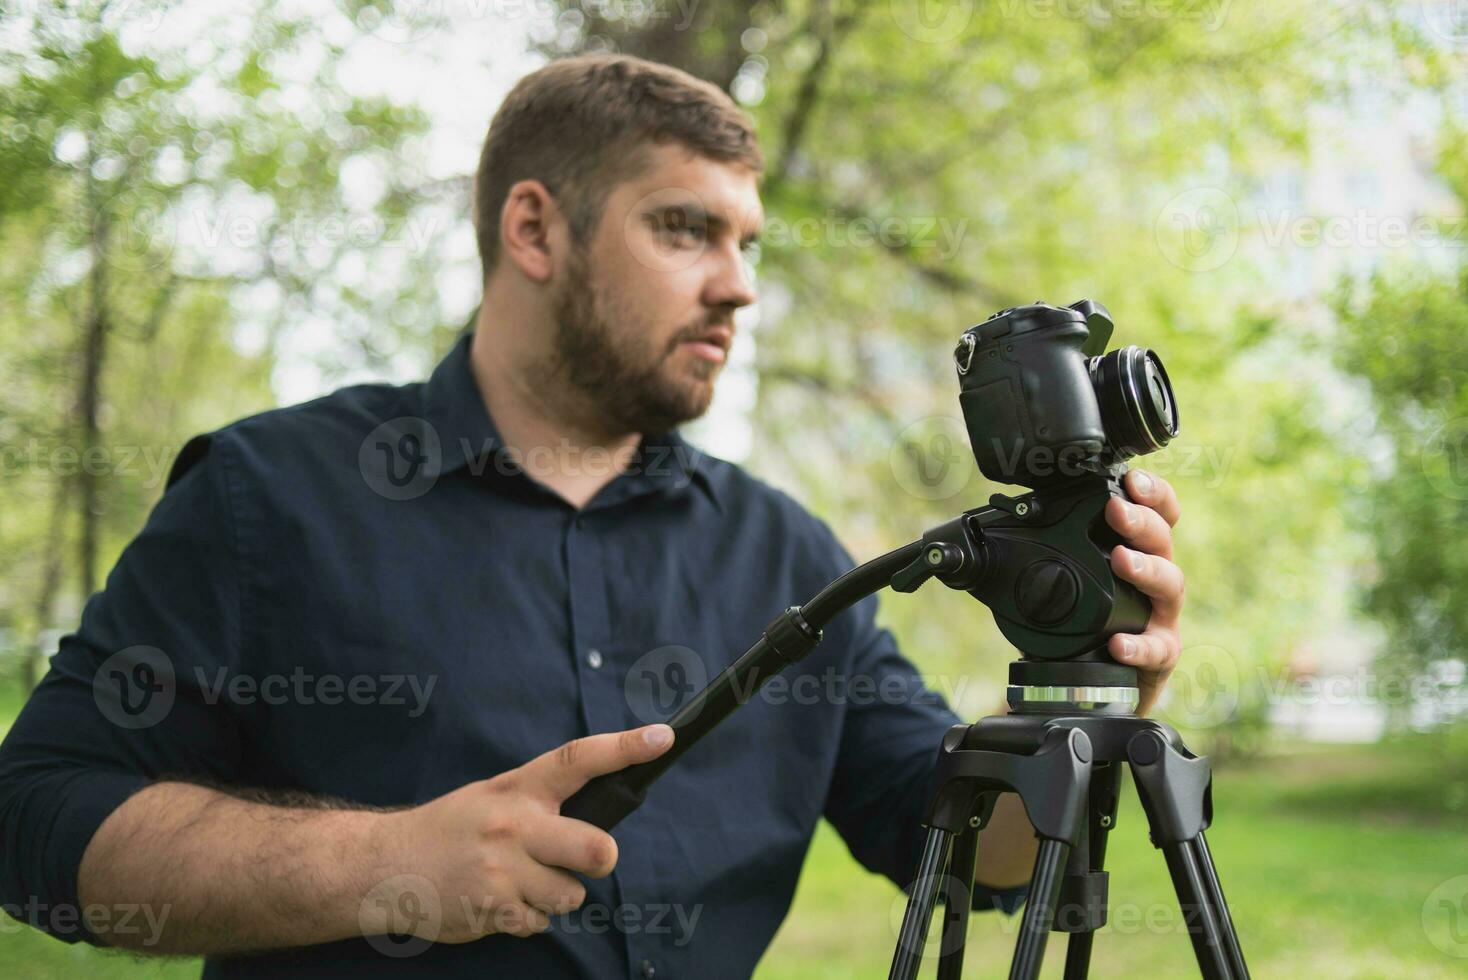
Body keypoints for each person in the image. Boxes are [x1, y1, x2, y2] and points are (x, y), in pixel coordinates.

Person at [0, 54, 1186, 978]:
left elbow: (971, 847)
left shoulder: (789, 553)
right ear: (534, 230)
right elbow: (39, 816)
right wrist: (385, 862)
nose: (739, 282)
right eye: (684, 228)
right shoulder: (269, 495)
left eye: (747, 241)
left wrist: (1091, 684)